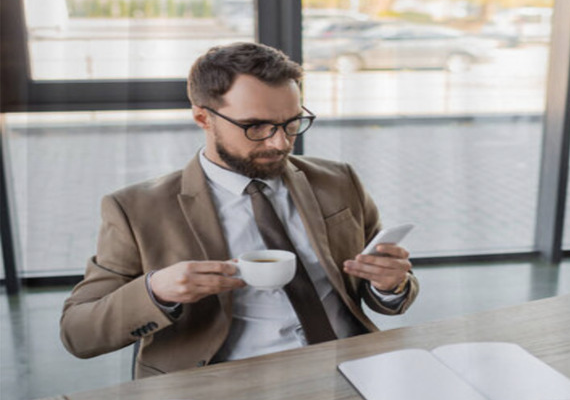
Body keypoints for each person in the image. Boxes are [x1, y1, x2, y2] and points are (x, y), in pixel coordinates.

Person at [60, 43, 418, 378]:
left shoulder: (339, 181)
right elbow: (79, 334)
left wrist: (391, 285)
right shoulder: (135, 210)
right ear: (203, 118)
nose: (280, 143)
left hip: (350, 366)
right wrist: (157, 291)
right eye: (255, 126)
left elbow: (389, 297)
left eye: (291, 122)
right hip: (224, 381)